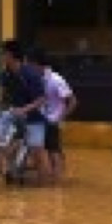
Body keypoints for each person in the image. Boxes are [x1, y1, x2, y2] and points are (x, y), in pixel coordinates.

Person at [0, 39, 51, 182]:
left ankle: (45, 189)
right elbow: (0, 91)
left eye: (3, 53)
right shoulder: (6, 73)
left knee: (37, 152)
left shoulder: (30, 74)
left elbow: (41, 100)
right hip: (14, 115)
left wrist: (24, 109)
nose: (0, 57)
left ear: (10, 55)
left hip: (34, 117)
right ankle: (7, 169)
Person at [28, 47, 77, 180]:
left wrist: (60, 118)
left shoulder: (56, 80)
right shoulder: (35, 79)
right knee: (39, 148)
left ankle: (58, 183)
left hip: (52, 120)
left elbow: (72, 101)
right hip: (39, 119)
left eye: (29, 64)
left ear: (36, 63)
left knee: (53, 150)